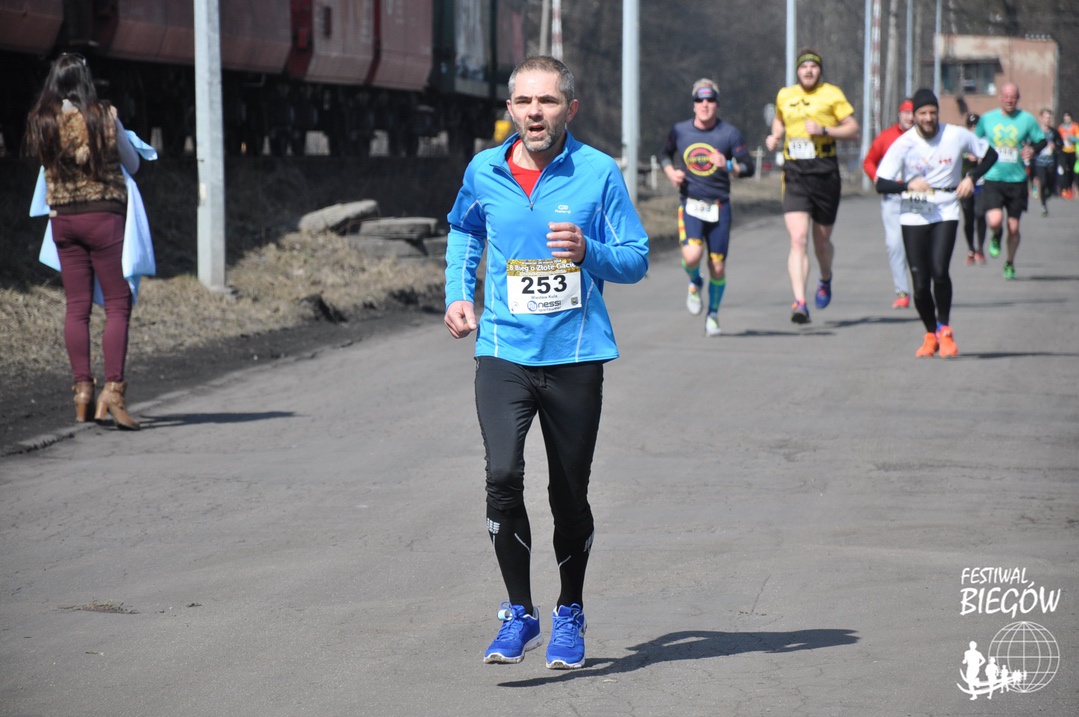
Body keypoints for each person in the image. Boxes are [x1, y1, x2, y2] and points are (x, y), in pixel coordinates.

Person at [443, 56, 648, 669]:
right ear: (510, 108)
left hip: (575, 355)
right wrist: (458, 292)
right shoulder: (483, 169)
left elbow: (636, 257)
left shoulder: (597, 172)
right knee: (503, 475)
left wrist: (589, 252)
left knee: (568, 493)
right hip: (503, 349)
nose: (536, 112)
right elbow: (464, 231)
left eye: (549, 101)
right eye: (525, 102)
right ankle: (519, 612)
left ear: (570, 109)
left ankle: (570, 611)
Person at [23, 52, 142, 429]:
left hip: (63, 221)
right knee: (118, 303)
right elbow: (133, 164)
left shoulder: (42, 120)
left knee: (77, 307)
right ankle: (114, 391)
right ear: (85, 80)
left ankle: (82, 392)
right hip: (103, 218)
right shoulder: (102, 116)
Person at [875, 89, 996, 358]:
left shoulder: (955, 135)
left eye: (932, 112)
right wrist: (907, 184)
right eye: (922, 113)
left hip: (946, 209)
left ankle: (945, 329)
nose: (928, 118)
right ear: (914, 116)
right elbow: (881, 183)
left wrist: (971, 177)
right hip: (913, 214)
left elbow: (991, 155)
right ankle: (931, 334)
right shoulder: (904, 144)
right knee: (919, 284)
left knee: (939, 271)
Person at [765, 48, 859, 324]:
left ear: (820, 71)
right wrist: (775, 136)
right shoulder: (785, 95)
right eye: (804, 67)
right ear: (797, 71)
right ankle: (800, 302)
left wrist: (825, 130)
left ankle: (825, 277)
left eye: (813, 67)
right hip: (795, 172)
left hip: (824, 171)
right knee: (798, 239)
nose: (808, 71)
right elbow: (779, 119)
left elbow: (853, 129)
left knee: (821, 243)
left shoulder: (832, 94)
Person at [660, 78, 755, 335]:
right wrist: (671, 173)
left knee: (718, 267)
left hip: (719, 207)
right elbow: (665, 154)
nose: (705, 104)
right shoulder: (680, 131)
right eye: (699, 100)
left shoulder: (729, 133)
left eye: (710, 100)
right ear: (693, 104)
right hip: (690, 204)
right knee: (692, 256)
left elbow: (748, 167)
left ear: (717, 104)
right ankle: (695, 282)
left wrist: (729, 165)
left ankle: (713, 314)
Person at [973, 83, 1046, 280]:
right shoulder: (987, 118)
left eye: (1013, 96)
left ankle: (1010, 263)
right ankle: (996, 235)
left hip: (1017, 180)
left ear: (1018, 98)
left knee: (1014, 227)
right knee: (995, 220)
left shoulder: (1026, 119)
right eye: (1006, 96)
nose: (1009, 100)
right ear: (1000, 97)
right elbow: (974, 139)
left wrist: (1032, 149)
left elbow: (1042, 140)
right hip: (993, 178)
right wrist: (975, 154)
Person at [862, 98, 914, 309]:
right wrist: (877, 178)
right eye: (906, 113)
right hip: (893, 197)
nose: (910, 117)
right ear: (899, 115)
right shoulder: (886, 137)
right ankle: (902, 292)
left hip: (919, 198)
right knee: (894, 244)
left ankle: (924, 286)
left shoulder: (925, 137)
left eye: (914, 113)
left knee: (918, 244)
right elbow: (869, 161)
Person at [959, 113, 988, 265]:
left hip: (981, 184)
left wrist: (981, 158)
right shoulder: (963, 141)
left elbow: (992, 160)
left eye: (976, 126)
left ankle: (980, 249)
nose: (973, 129)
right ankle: (971, 249)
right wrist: (966, 156)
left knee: (980, 214)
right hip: (965, 184)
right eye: (971, 126)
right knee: (968, 218)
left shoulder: (984, 142)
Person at [1032, 108, 1063, 217]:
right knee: (1043, 182)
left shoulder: (1054, 132)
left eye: (1049, 118)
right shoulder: (1036, 132)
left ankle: (1048, 194)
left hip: (1051, 162)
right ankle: (1043, 206)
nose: (1048, 120)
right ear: (1041, 118)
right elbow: (1031, 145)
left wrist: (1055, 146)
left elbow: (1061, 144)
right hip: (1039, 162)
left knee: (1050, 185)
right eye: (1046, 117)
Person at [1058, 111, 1078, 199]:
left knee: (1071, 171)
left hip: (1072, 151)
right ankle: (1064, 189)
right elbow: (1058, 138)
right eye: (1065, 117)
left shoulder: (1075, 126)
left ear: (1071, 118)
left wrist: (1070, 138)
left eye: (1068, 117)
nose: (1066, 119)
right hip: (1063, 151)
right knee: (1063, 170)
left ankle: (1070, 189)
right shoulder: (1061, 128)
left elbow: (1078, 139)